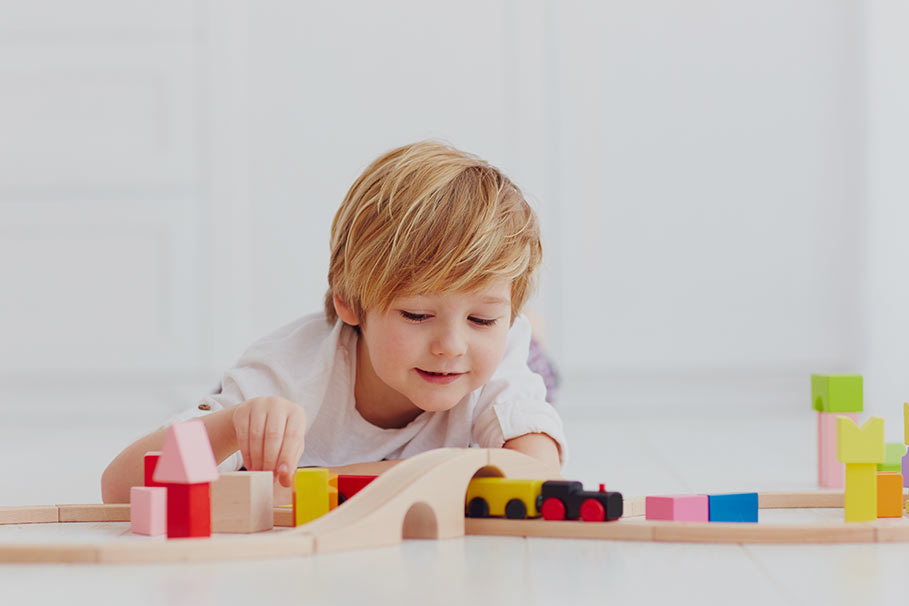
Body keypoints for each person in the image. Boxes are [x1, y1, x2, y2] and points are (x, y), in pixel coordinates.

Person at [101, 141, 565, 504]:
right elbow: (121, 490)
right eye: (417, 315)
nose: (451, 344)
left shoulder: (496, 350)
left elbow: (536, 473)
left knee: (534, 365)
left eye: (482, 317)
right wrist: (234, 426)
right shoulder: (288, 374)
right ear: (349, 303)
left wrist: (327, 485)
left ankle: (531, 328)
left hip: (508, 366)